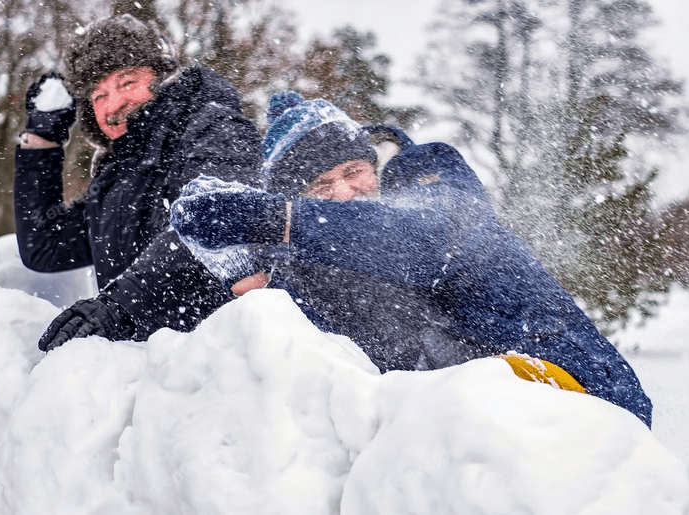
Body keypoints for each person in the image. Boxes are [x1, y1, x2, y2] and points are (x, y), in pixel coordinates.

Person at [170, 91, 653, 427]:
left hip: (581, 392)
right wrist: (242, 270)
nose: (344, 192)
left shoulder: (433, 188)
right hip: (483, 441)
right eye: (321, 185)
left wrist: (277, 218)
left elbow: (431, 239)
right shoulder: (342, 266)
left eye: (354, 170)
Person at [14, 15, 263, 351]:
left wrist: (118, 306)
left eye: (127, 82)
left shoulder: (212, 127)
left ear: (160, 77)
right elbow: (46, 247)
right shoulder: (117, 176)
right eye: (99, 96)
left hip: (214, 366)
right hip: (141, 374)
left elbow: (215, 220)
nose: (113, 104)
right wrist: (42, 142)